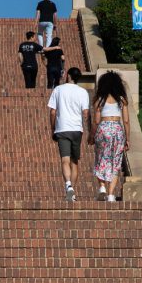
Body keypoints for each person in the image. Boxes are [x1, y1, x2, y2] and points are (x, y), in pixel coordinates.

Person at [47, 67, 90, 202]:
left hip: (62, 129)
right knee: (74, 162)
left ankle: (68, 186)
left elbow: (53, 112)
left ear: (68, 75)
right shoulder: (83, 92)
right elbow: (86, 113)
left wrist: (53, 128)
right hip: (77, 129)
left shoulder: (58, 89)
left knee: (64, 160)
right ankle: (73, 193)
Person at [89, 70, 130, 202]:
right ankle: (111, 195)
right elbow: (126, 121)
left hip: (103, 128)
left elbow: (95, 121)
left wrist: (92, 135)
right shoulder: (122, 100)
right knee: (115, 162)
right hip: (117, 129)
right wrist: (127, 139)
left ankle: (102, 187)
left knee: (101, 159)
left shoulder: (99, 100)